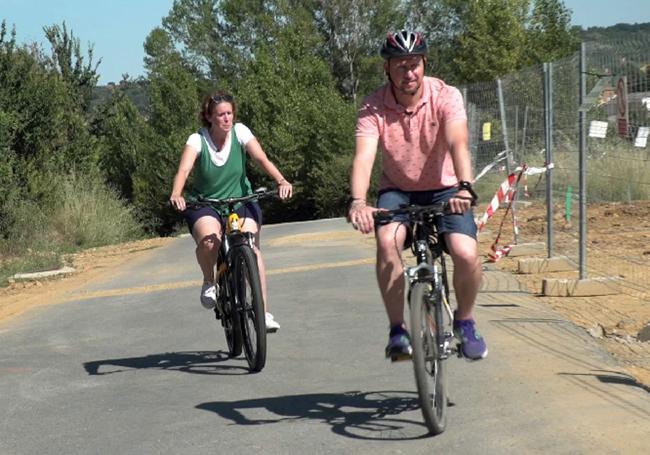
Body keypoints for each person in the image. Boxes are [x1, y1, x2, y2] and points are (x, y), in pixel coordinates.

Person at [347, 30, 487, 360]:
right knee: (386, 243)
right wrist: (358, 202)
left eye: (414, 64)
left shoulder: (445, 95)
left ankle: (465, 321)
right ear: (387, 69)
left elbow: (458, 143)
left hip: (448, 188)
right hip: (398, 190)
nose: (408, 73)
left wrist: (465, 187)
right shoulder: (373, 105)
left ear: (424, 64)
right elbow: (364, 156)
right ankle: (398, 330)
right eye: (400, 66)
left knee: (465, 253)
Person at [170, 91, 293, 333]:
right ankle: (209, 281)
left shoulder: (240, 132)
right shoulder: (197, 140)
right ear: (209, 117)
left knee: (252, 249)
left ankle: (262, 312)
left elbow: (261, 158)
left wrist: (281, 180)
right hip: (206, 203)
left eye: (229, 113)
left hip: (240, 200)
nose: (226, 119)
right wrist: (177, 193)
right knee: (209, 242)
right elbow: (184, 170)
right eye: (220, 115)